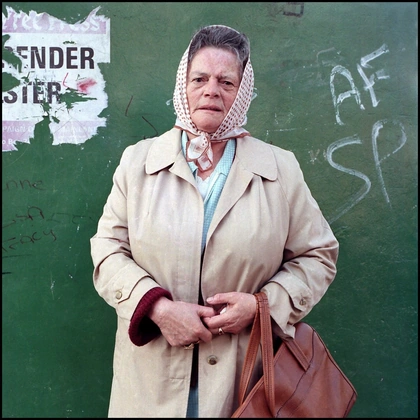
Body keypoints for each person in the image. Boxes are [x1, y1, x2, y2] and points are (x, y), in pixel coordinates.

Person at [90, 24, 339, 418]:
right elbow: (107, 250)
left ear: (243, 91)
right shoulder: (138, 162)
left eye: (227, 82)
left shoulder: (280, 168)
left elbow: (318, 255)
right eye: (199, 79)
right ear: (183, 85)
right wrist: (157, 309)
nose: (211, 91)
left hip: (243, 385)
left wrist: (261, 306)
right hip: (149, 385)